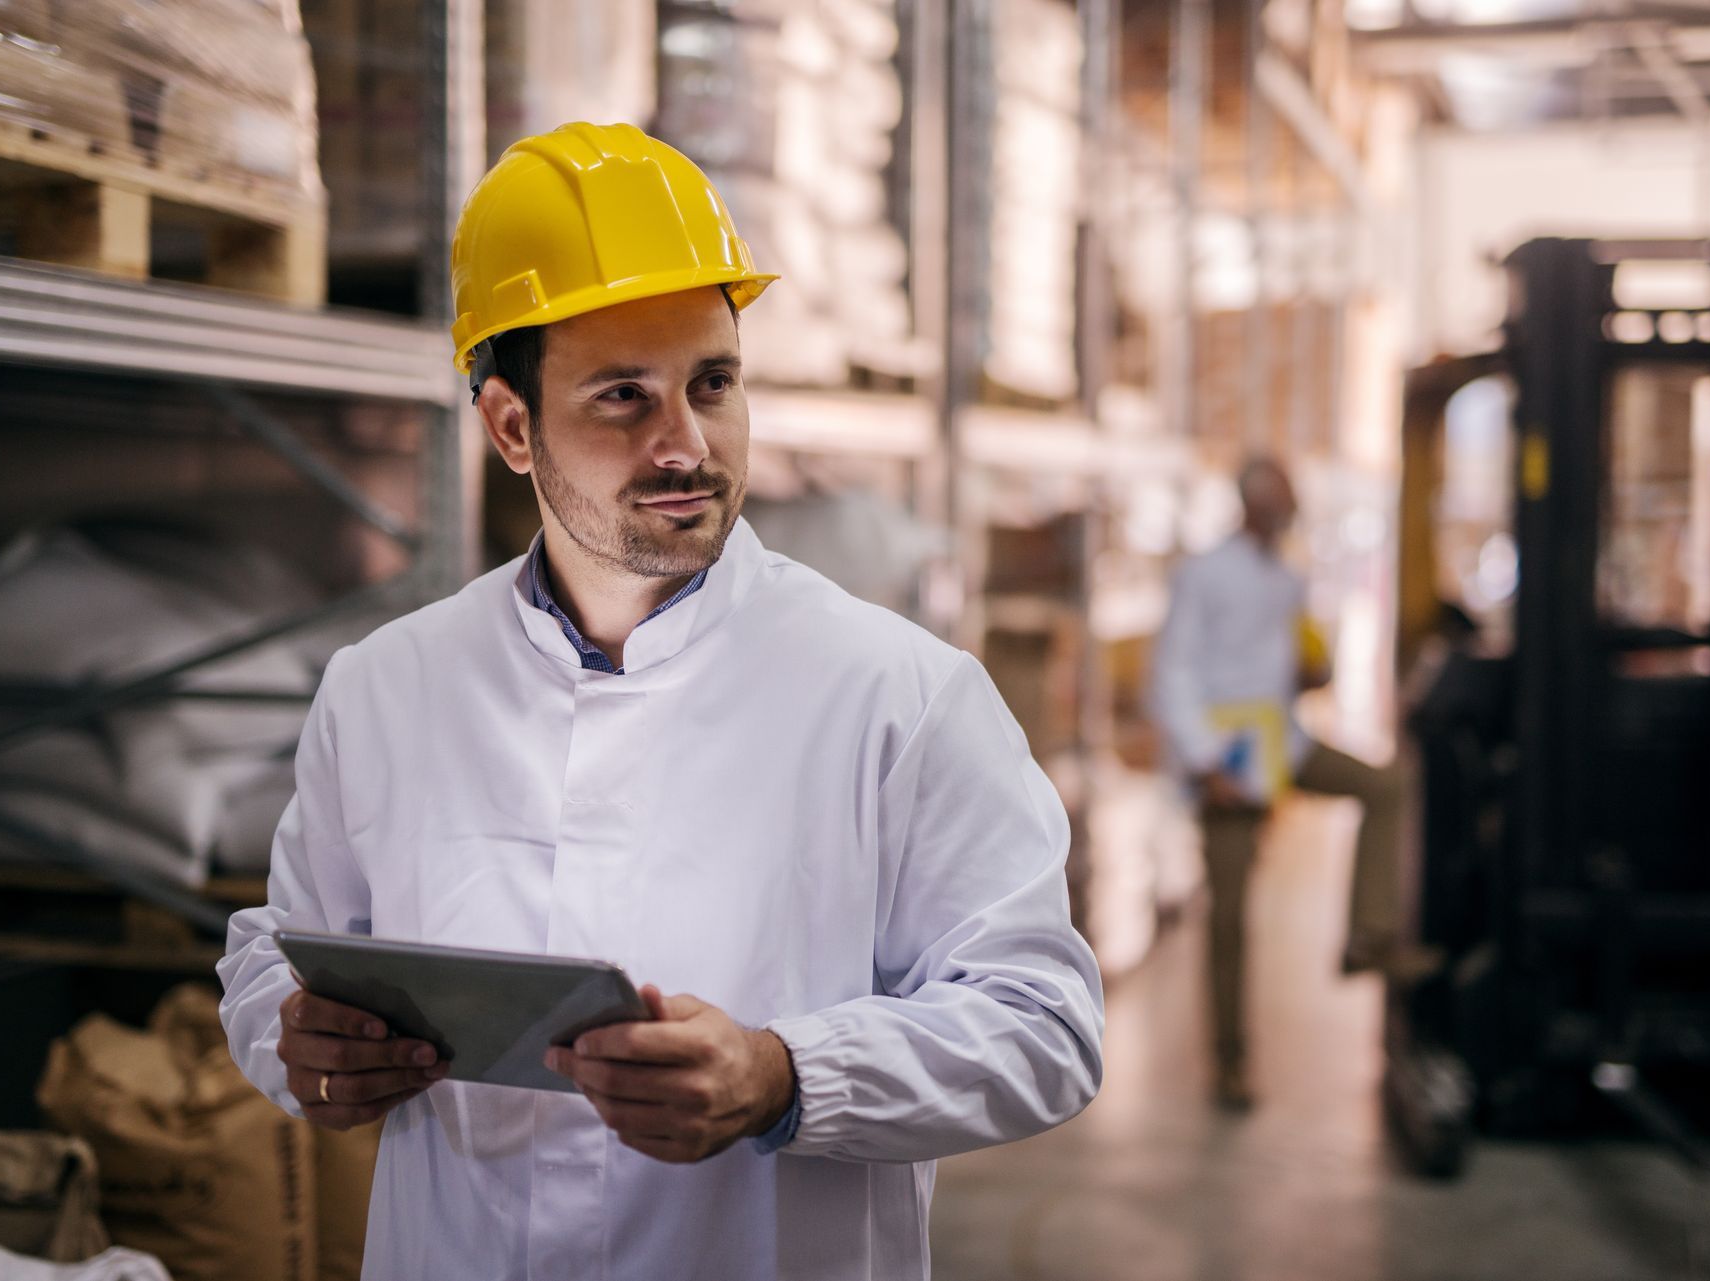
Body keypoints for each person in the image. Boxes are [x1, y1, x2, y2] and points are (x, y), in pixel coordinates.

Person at [216, 122, 1104, 1280]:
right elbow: (278, 956)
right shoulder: (388, 689)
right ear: (512, 428)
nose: (686, 443)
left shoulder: (900, 696)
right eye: (624, 397)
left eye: (713, 384)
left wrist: (786, 1076)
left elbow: (1043, 1022)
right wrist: (300, 1045)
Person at [1151, 456, 1436, 1112]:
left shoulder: (1284, 576)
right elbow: (1171, 672)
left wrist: (1310, 671)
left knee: (1386, 784)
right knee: (1229, 918)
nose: (1291, 512)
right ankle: (1230, 1063)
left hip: (1281, 741)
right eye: (1282, 501)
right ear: (1252, 503)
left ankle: (1370, 933)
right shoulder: (1203, 574)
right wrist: (1206, 761)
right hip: (1228, 757)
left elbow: (1285, 661)